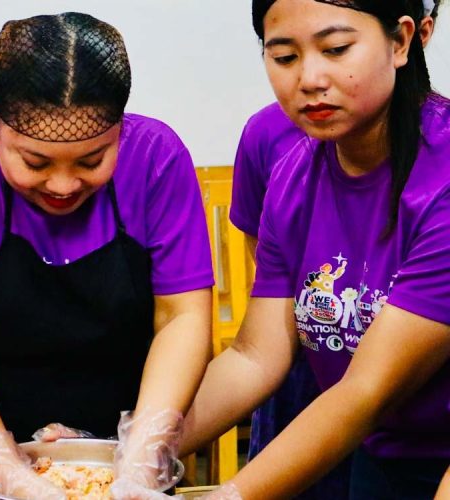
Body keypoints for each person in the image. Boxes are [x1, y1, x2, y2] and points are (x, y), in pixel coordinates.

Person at [0, 12, 214, 497]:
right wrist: (12, 476)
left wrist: (142, 455)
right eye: (34, 162)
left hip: (116, 457)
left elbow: (182, 318)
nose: (62, 185)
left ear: (120, 129)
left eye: (91, 160)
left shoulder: (156, 159)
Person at [177, 0, 450, 498]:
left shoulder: (442, 180)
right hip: (379, 451)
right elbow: (255, 355)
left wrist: (230, 495)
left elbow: (364, 390)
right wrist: (137, 446)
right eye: (284, 57)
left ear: (403, 40)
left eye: (336, 48)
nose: (309, 78)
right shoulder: (295, 174)